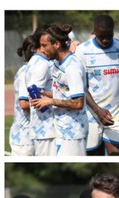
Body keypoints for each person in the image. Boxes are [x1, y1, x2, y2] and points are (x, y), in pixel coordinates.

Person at [75, 14, 119, 155]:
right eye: (101, 36)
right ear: (94, 31)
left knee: (118, 156)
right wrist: (98, 111)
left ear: (113, 31)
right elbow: (81, 87)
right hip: (91, 115)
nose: (105, 40)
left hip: (117, 114)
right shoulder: (82, 51)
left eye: (108, 35)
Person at [32, 24, 89, 156]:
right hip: (61, 129)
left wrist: (50, 101)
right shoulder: (57, 63)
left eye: (44, 45)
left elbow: (78, 103)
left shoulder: (72, 68)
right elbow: (65, 93)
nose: (42, 50)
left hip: (73, 132)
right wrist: (45, 95)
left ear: (56, 44)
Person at [25, 25, 56, 156]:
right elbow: (36, 96)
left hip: (44, 129)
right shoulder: (42, 64)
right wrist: (63, 98)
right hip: (46, 128)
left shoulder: (37, 60)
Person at [9, 35, 35, 156]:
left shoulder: (31, 70)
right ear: (34, 50)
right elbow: (24, 104)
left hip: (28, 138)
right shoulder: (26, 72)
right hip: (24, 140)